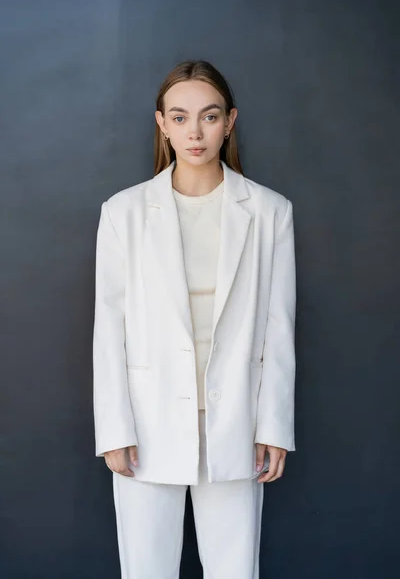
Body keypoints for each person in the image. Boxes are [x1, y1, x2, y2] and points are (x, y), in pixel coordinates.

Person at [93, 59, 296, 579]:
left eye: (208, 116)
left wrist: (273, 424)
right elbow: (108, 327)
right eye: (179, 118)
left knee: (234, 569)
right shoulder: (124, 211)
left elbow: (279, 326)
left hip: (235, 423)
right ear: (162, 124)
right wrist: (114, 429)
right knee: (146, 569)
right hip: (147, 421)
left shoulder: (270, 212)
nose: (195, 131)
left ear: (229, 121)